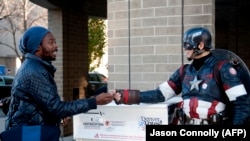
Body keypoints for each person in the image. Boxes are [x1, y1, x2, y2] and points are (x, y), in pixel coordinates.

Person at [114, 27, 250, 125]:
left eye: (187, 45)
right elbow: (160, 94)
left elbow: (242, 105)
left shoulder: (222, 68)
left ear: (201, 45)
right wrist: (125, 96)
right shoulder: (184, 71)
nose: (185, 49)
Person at [4, 26, 114, 133]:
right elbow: (55, 108)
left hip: (32, 131)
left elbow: (45, 107)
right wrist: (94, 101)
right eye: (51, 42)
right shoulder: (34, 71)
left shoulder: (34, 67)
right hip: (30, 134)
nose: (56, 46)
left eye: (55, 42)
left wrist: (57, 117)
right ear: (38, 47)